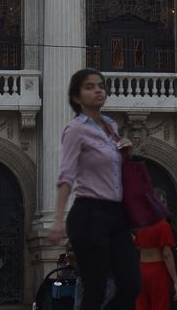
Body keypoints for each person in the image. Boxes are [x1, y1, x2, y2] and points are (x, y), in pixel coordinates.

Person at [48, 69, 141, 310]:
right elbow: (66, 175)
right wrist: (58, 219)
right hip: (89, 213)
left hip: (116, 214)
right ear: (77, 97)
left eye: (100, 85)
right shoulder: (76, 129)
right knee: (95, 291)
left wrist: (125, 154)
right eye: (89, 86)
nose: (98, 90)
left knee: (131, 285)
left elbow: (114, 171)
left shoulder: (110, 125)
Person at [134, 207, 177, 310]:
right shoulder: (163, 225)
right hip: (158, 270)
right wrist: (175, 281)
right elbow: (167, 254)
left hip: (142, 269)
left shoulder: (141, 226)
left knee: (142, 306)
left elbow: (137, 248)